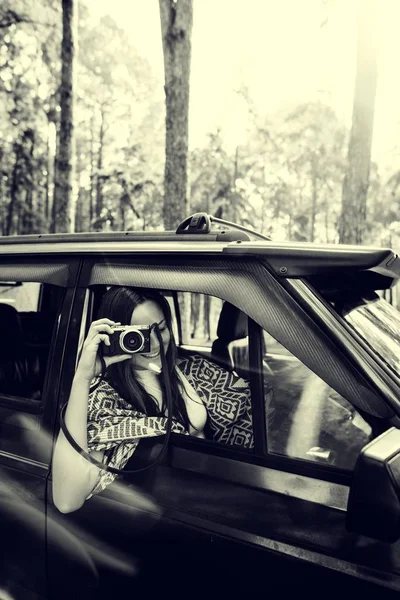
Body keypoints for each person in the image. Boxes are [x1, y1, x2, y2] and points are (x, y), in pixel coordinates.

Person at [52, 286, 252, 513]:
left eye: (162, 328)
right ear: (115, 337)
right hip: (164, 516)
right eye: (141, 334)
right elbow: (66, 501)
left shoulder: (188, 369)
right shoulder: (106, 399)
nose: (156, 343)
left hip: (217, 498)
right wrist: (83, 377)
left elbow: (248, 410)